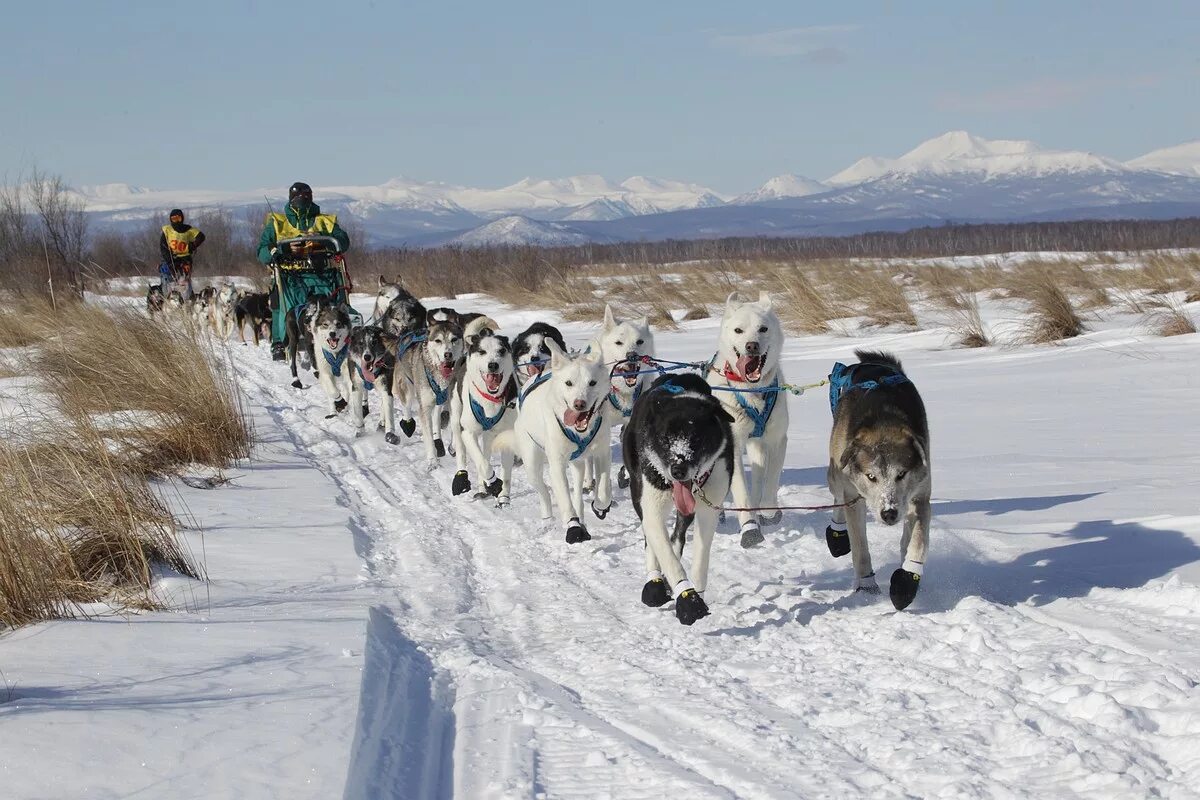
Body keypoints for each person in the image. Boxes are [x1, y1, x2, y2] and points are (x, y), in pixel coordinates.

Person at [258, 182, 351, 359]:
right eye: (297, 197)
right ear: (291, 199)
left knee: (330, 307)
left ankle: (339, 336)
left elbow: (343, 241)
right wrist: (280, 251)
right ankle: (280, 341)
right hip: (289, 276)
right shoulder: (277, 222)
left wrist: (322, 241)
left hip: (322, 274)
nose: (302, 200)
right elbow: (262, 250)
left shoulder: (324, 221)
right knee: (283, 305)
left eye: (306, 196)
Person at [158, 208, 205, 299]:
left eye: (178, 219)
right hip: (170, 259)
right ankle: (166, 299)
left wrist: (192, 246)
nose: (176, 221)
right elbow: (163, 247)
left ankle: (187, 300)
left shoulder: (189, 230)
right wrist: (170, 261)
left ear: (182, 218)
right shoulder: (167, 230)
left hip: (185, 259)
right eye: (174, 219)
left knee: (184, 281)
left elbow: (201, 237)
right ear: (170, 220)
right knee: (166, 278)